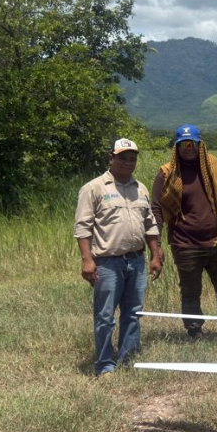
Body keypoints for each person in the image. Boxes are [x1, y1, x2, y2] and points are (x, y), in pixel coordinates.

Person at [75, 138, 164, 378]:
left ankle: (128, 358)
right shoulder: (94, 188)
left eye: (132, 158)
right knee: (105, 316)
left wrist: (156, 254)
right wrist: (87, 260)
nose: (128, 162)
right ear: (110, 158)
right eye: (122, 157)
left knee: (134, 312)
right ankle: (105, 364)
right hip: (107, 262)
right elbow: (83, 228)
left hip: (136, 260)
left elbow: (150, 224)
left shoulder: (140, 188)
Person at [151, 124, 217, 341]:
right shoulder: (167, 173)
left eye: (192, 143)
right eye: (183, 144)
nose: (188, 148)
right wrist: (156, 243)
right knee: (191, 292)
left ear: (200, 145)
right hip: (185, 244)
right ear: (176, 148)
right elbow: (156, 207)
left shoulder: (216, 167)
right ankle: (194, 331)